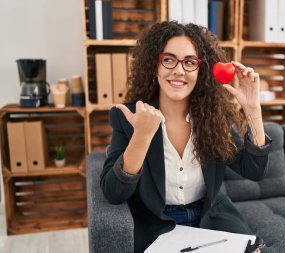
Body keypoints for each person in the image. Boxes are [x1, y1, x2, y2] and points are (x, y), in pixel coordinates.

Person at [100, 21, 272, 253]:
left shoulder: (213, 118)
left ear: (200, 71)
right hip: (157, 223)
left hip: (211, 218)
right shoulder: (129, 116)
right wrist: (141, 137)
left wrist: (253, 110)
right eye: (169, 59)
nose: (179, 70)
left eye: (190, 62)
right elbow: (113, 193)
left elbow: (254, 170)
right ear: (155, 66)